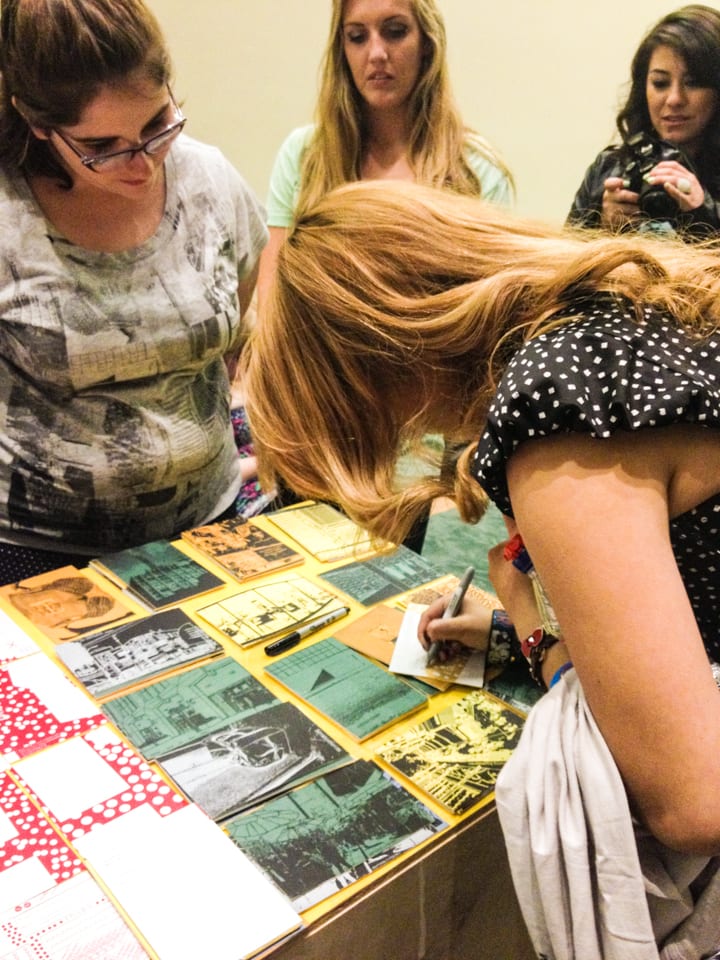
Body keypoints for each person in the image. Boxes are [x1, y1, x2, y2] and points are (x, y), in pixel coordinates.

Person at [243, 178, 720, 951]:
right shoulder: (619, 312)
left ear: (383, 361)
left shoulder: (559, 398)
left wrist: (541, 635)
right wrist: (508, 625)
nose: (410, 434)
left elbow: (696, 801)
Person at [0, 0, 267, 585]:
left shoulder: (212, 182)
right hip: (39, 553)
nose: (142, 164)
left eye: (157, 125)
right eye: (104, 146)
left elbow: (236, 324)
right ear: (37, 123)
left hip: (207, 522)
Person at [257, 0, 513, 305]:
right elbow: (272, 302)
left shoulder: (476, 171)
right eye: (357, 37)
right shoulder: (305, 155)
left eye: (394, 32)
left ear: (427, 45)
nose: (377, 53)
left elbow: (489, 315)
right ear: (342, 50)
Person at [567, 4, 720, 238]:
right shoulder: (609, 169)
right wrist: (601, 228)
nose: (674, 99)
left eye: (693, 83)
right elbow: (562, 267)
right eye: (660, 83)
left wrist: (704, 215)